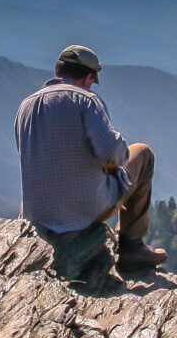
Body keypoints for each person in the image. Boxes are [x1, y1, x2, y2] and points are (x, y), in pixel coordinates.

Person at [15, 45, 166, 275]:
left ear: (59, 72)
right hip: (83, 210)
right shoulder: (85, 100)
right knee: (142, 153)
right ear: (88, 77)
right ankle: (131, 248)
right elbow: (112, 153)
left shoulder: (26, 106)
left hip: (37, 216)